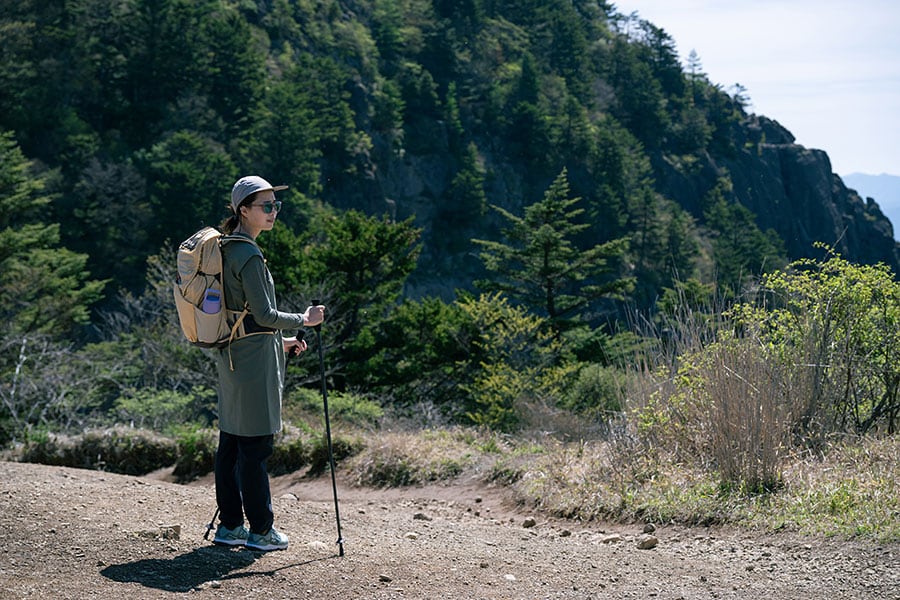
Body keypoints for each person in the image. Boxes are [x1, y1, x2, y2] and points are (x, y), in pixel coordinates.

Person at [211, 175, 325, 552]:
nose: (273, 212)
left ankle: (230, 526)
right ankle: (261, 531)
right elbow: (264, 312)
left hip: (232, 356)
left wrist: (283, 341)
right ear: (244, 210)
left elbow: (245, 316)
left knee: (231, 444)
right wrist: (303, 321)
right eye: (266, 205)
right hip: (253, 365)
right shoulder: (249, 255)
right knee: (255, 448)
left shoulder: (226, 248)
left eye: (276, 205)